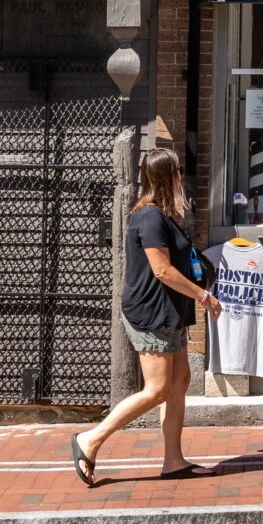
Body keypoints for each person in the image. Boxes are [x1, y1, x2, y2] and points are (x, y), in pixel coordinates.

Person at [73, 146, 220, 487]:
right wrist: (203, 296)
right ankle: (90, 440)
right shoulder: (150, 217)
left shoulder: (166, 215)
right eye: (178, 171)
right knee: (156, 389)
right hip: (151, 313)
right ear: (166, 177)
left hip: (171, 313)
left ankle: (173, 460)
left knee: (180, 381)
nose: (182, 176)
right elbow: (162, 271)